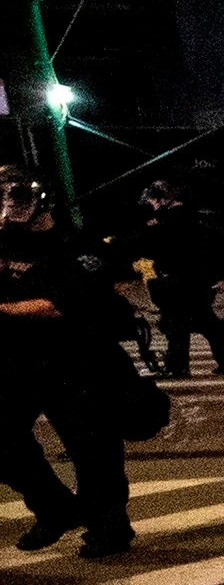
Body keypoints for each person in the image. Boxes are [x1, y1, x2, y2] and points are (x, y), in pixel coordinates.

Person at [1, 171, 139, 555]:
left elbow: (62, 304)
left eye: (15, 200)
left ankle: (109, 527)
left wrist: (4, 309)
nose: (9, 208)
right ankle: (55, 507)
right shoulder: (4, 244)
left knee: (92, 449)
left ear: (41, 202)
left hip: (76, 360)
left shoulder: (77, 246)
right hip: (16, 360)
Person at [128, 183, 224, 379]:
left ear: (165, 199)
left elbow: (147, 246)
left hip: (179, 280)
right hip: (200, 280)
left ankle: (178, 366)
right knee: (206, 322)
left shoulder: (170, 222)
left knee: (177, 324)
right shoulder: (199, 219)